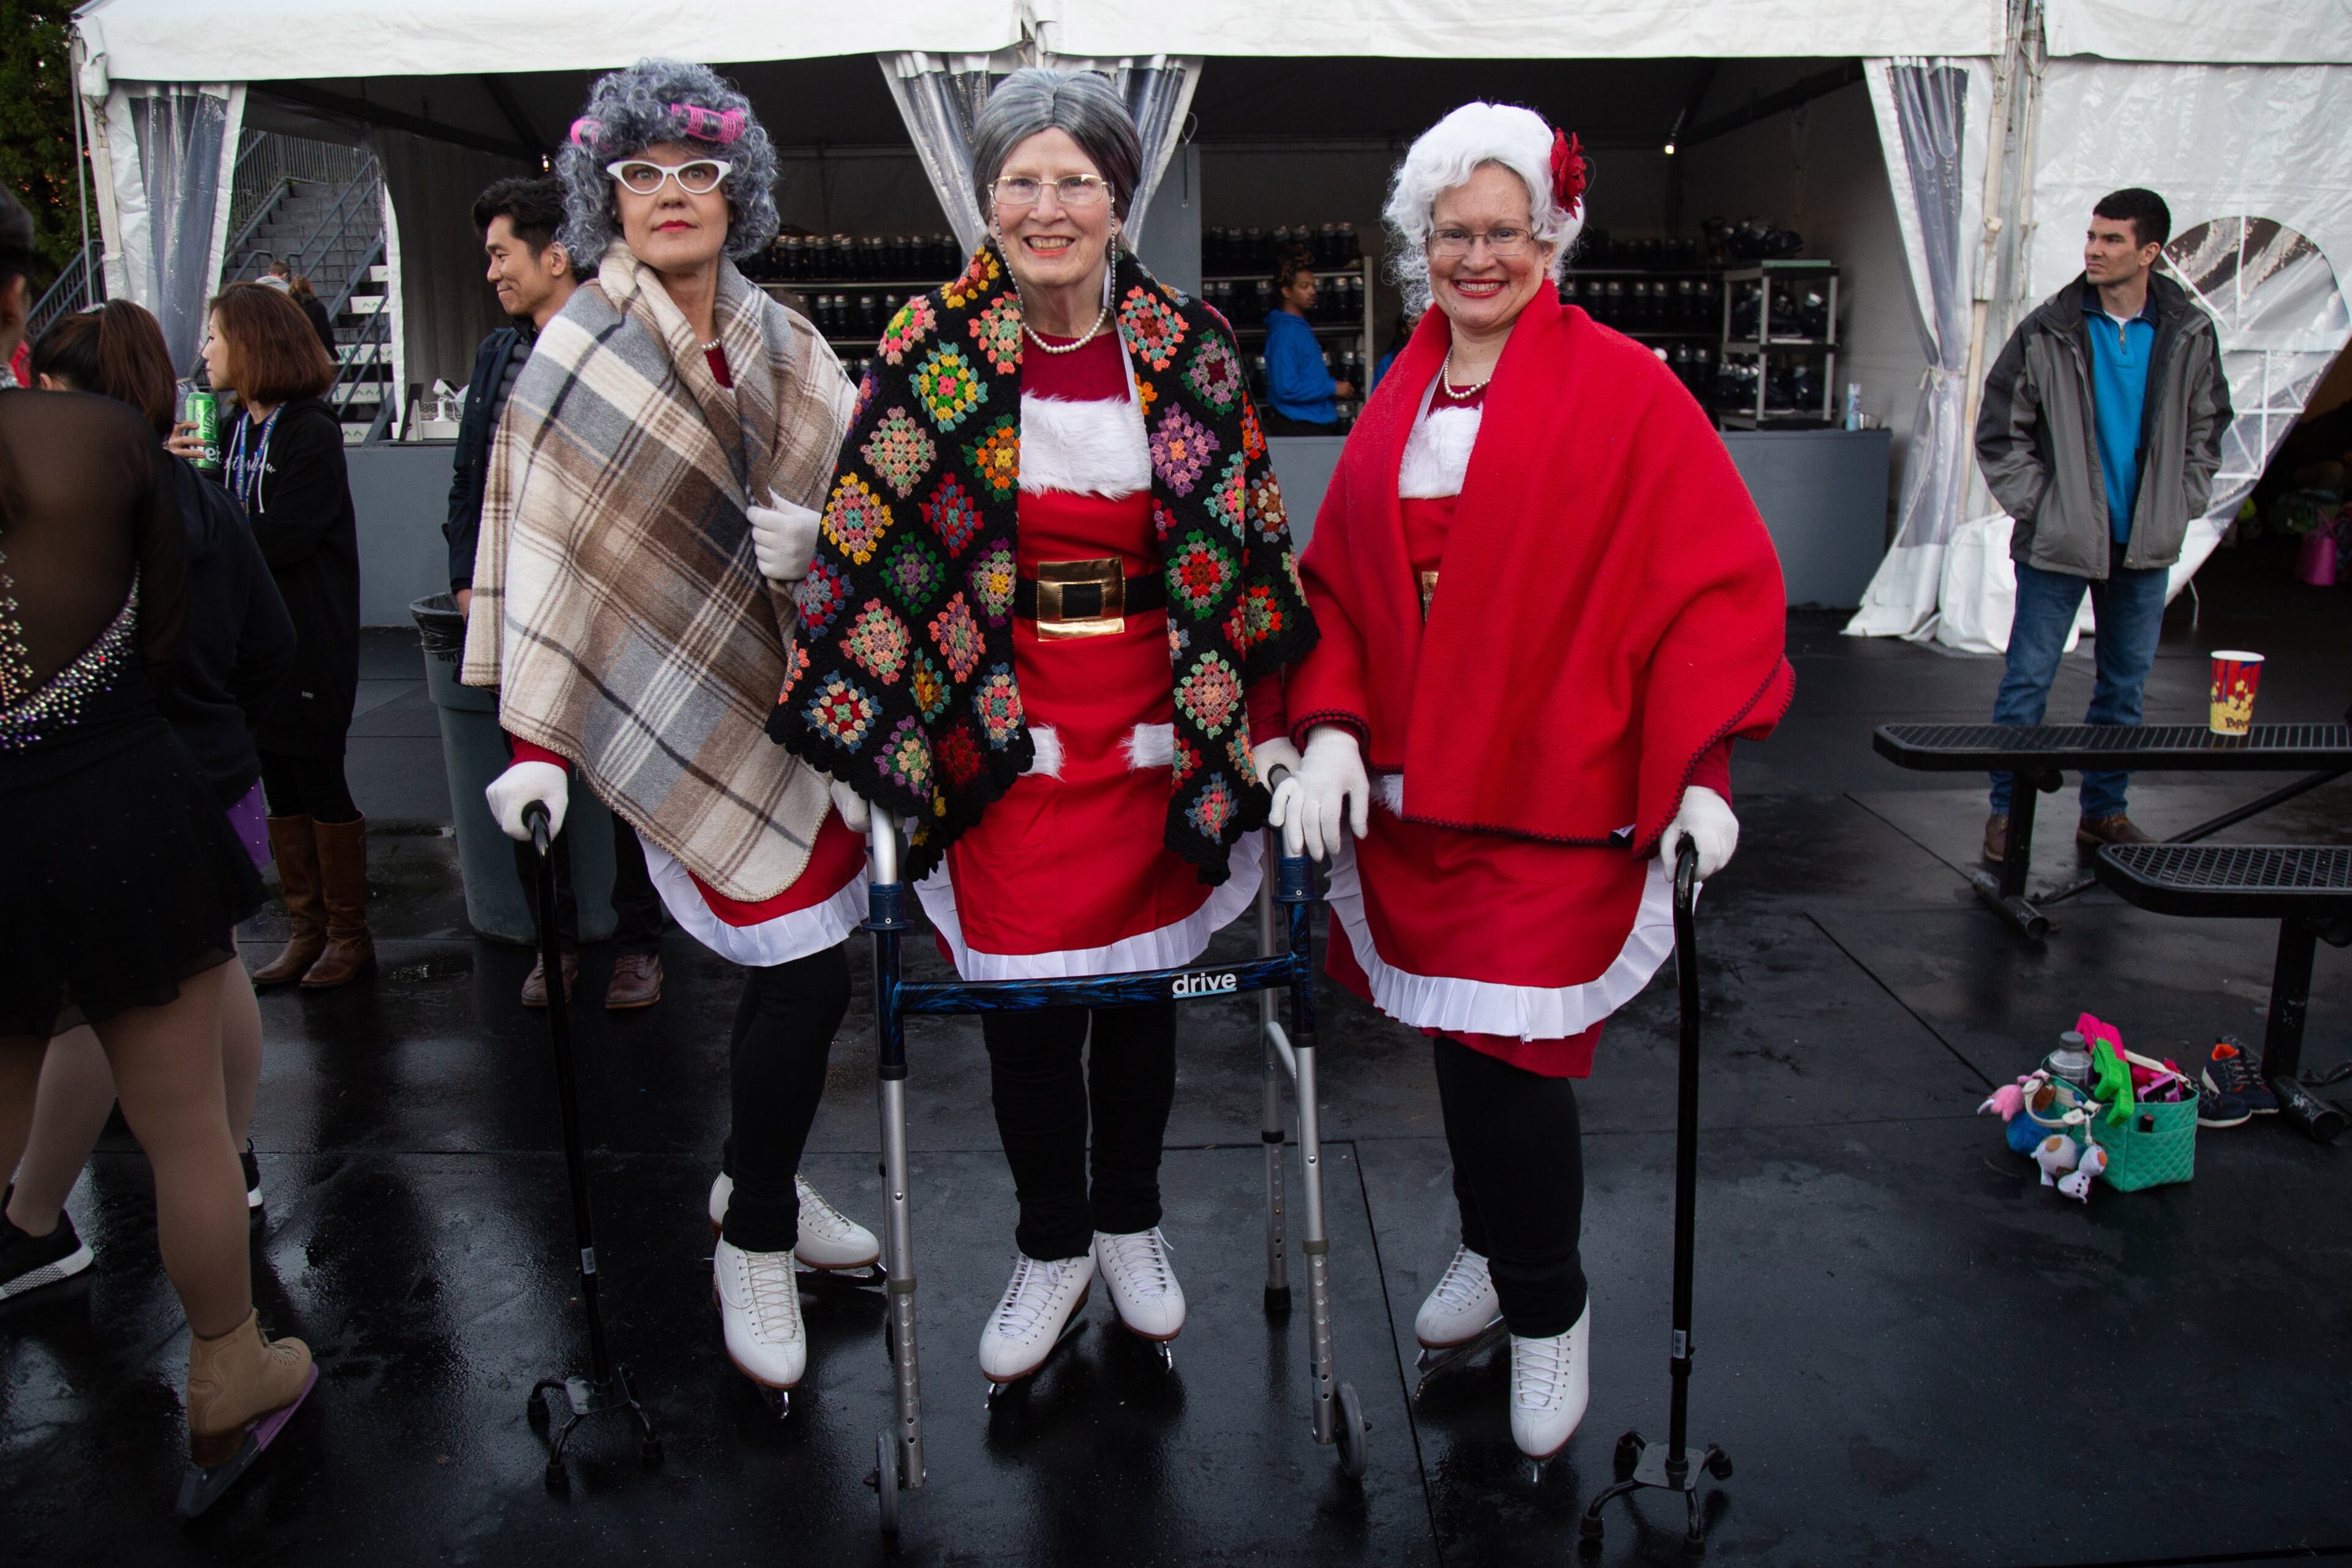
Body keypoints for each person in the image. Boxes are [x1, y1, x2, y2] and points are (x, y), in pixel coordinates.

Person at [774, 67, 1317, 1387]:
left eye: (1075, 179)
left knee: (1142, 995)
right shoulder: (928, 340)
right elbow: (881, 534)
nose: (1047, 205)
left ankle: (1129, 1219)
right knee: (1024, 1012)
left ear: (1120, 200)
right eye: (1021, 180)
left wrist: (1278, 724)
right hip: (999, 718)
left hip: (1160, 713)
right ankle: (1051, 1238)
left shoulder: (1190, 344)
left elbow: (1249, 545)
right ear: (988, 198)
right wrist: (876, 720)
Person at [1274, 102, 1792, 1463]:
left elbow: (1712, 586)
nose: (1480, 256)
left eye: (1506, 231)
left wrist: (1704, 767)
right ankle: (1500, 1249)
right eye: (1456, 233)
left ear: (1553, 234)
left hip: (1562, 790)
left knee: (1514, 1056)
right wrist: (1326, 722)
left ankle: (1549, 1304)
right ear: (1421, 243)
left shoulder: (1629, 385)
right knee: (1461, 1038)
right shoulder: (1403, 391)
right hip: (1423, 790)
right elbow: (1337, 584)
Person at [462, 59, 879, 1399]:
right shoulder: (573, 349)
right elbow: (539, 545)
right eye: (640, 175)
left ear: (734, 192)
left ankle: (756, 1179)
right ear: (608, 196)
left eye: (696, 172)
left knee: (801, 972)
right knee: (806, 972)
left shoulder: (789, 343)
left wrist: (825, 548)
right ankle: (753, 1230)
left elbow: (870, 508)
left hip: (801, 713)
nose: (670, 197)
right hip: (680, 708)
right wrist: (534, 750)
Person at [0, 186, 315, 1510]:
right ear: (18, 294)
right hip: (118, 801)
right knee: (188, 1125)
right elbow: (176, 642)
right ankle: (227, 1368)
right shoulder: (99, 442)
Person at [4, 301, 296, 1299]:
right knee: (207, 993)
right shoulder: (191, 493)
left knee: (108, 1014)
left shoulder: (83, 508)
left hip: (124, 792)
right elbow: (269, 643)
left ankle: (37, 1218)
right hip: (200, 774)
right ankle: (226, 1293)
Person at [447, 175, 666, 1010]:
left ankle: (640, 946)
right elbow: (471, 476)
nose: (494, 272)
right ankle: (556, 943)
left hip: (613, 606)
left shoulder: (622, 344)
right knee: (531, 788)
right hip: (521, 610)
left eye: (503, 254)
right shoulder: (498, 353)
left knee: (624, 789)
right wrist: (468, 580)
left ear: (556, 254)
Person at [1976, 187, 2230, 862]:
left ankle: (2105, 814)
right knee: (2027, 680)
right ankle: (2006, 815)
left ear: (2149, 252)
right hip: (2059, 539)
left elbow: (2209, 427)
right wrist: (2042, 506)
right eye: (2092, 236)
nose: (2094, 249)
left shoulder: (2190, 332)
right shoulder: (2049, 327)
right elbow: (2001, 429)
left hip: (2144, 540)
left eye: (2113, 239)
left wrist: (2183, 499)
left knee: (2124, 686)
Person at [175, 282, 372, 988]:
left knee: (318, 778)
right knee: (280, 783)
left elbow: (283, 535)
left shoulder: (309, 431)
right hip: (253, 644)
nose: (206, 352)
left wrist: (213, 527)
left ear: (252, 345)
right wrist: (179, 473)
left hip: (309, 641)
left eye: (216, 337)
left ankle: (349, 935)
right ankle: (306, 930)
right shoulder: (230, 430)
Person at [1261, 248, 1355, 434]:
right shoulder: (1285, 332)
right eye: (1304, 287)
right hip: (1299, 427)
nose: (1313, 291)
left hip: (1312, 424)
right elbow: (1286, 387)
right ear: (1287, 291)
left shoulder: (1298, 327)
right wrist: (1332, 388)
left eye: (1313, 285)